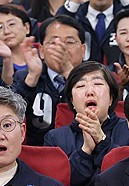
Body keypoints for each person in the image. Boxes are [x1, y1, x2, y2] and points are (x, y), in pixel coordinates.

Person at [12, 15, 85, 146]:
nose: (62, 48)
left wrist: (69, 74)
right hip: (38, 154)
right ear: (41, 51)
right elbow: (11, 113)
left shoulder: (96, 76)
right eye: (54, 43)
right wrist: (32, 78)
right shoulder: (26, 77)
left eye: (69, 42)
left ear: (83, 50)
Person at [57, 0, 129, 64]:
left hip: (121, 76)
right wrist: (74, 2)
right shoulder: (74, 16)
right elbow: (55, 30)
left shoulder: (126, 15)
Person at [0, 4, 33, 86]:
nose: (6, 31)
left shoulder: (43, 56)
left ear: (27, 27)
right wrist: (7, 60)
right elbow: (7, 92)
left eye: (11, 24)